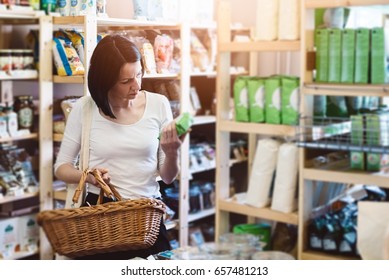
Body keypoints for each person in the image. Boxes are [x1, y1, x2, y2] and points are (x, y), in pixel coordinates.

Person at [54, 34, 186, 260]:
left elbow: (167, 177)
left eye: (139, 75)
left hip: (147, 217)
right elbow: (61, 168)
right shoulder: (85, 109)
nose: (136, 86)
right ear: (104, 82)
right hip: (101, 217)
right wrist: (90, 177)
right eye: (125, 81)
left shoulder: (158, 104)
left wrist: (173, 153)